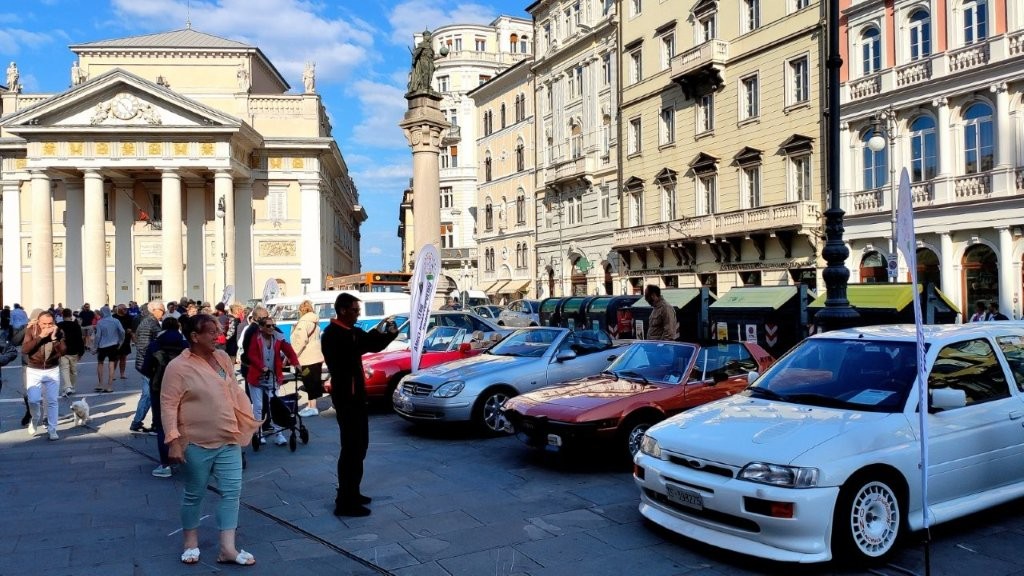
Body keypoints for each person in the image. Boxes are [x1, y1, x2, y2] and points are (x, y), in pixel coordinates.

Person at [161, 314, 261, 566]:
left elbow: (232, 390)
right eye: (212, 332)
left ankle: (227, 548)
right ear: (195, 337)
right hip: (196, 442)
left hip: (228, 437)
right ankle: (190, 543)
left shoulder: (223, 358)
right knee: (194, 494)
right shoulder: (178, 367)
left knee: (232, 492)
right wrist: (173, 440)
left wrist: (246, 418)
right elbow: (168, 405)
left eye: (219, 330)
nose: (219, 336)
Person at [321, 292, 399, 517]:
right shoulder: (333, 334)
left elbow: (371, 343)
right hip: (346, 398)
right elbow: (358, 346)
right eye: (355, 311)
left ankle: (352, 492)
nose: (358, 315)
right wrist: (376, 335)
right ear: (343, 310)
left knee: (360, 447)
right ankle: (344, 501)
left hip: (356, 398)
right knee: (351, 449)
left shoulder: (350, 332)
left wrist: (389, 334)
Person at [141, 316, 188, 477]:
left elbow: (146, 368)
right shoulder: (185, 345)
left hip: (159, 389)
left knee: (162, 425)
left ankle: (165, 464)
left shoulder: (155, 344)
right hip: (183, 388)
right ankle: (186, 458)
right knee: (184, 422)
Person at [244, 316, 300, 446]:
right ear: (261, 327)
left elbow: (289, 350)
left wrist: (296, 363)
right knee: (258, 407)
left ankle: (278, 434)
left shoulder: (278, 337)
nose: (271, 328)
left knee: (275, 406)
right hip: (257, 378)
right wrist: (261, 366)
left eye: (273, 325)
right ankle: (258, 433)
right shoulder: (256, 338)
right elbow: (251, 355)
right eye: (268, 326)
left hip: (273, 377)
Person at [22, 310, 66, 440]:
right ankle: (35, 418)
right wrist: (41, 336)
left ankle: (52, 429)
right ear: (38, 322)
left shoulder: (58, 331)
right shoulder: (32, 330)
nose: (47, 326)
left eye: (50, 323)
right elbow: (25, 349)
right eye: (44, 324)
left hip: (52, 370)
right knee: (33, 399)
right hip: (34, 369)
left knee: (52, 400)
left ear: (54, 322)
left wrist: (54, 339)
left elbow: (63, 351)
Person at [129, 301, 165, 434]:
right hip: (148, 364)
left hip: (147, 363)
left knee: (149, 393)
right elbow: (144, 347)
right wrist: (156, 359)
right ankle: (140, 422)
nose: (164, 312)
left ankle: (137, 422)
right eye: (162, 310)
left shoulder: (150, 322)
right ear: (154, 310)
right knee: (149, 394)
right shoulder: (149, 323)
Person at [290, 300, 324, 417]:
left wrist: (293, 355)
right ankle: (310, 406)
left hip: (307, 358)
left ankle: (313, 407)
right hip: (316, 357)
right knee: (312, 381)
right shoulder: (315, 322)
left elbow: (300, 341)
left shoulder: (303, 323)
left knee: (309, 382)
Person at [94, 307, 125, 392]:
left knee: (100, 363)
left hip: (102, 345)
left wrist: (95, 347)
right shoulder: (116, 321)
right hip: (114, 344)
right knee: (111, 363)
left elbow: (98, 336)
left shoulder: (100, 322)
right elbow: (122, 331)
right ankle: (109, 385)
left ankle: (101, 383)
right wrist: (121, 341)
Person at [56, 308, 84, 396]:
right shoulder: (76, 325)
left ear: (62, 315)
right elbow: (80, 339)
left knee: (65, 369)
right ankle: (71, 386)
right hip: (74, 350)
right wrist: (81, 352)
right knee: (73, 370)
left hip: (63, 350)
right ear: (71, 315)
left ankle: (67, 387)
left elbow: (55, 339)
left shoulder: (59, 325)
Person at [114, 304, 134, 380]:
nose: (126, 310)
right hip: (116, 340)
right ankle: (113, 374)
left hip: (126, 340)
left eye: (126, 309)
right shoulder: (114, 317)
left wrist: (130, 330)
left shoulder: (129, 317)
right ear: (119, 309)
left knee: (123, 357)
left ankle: (122, 374)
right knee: (116, 358)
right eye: (124, 309)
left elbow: (132, 327)